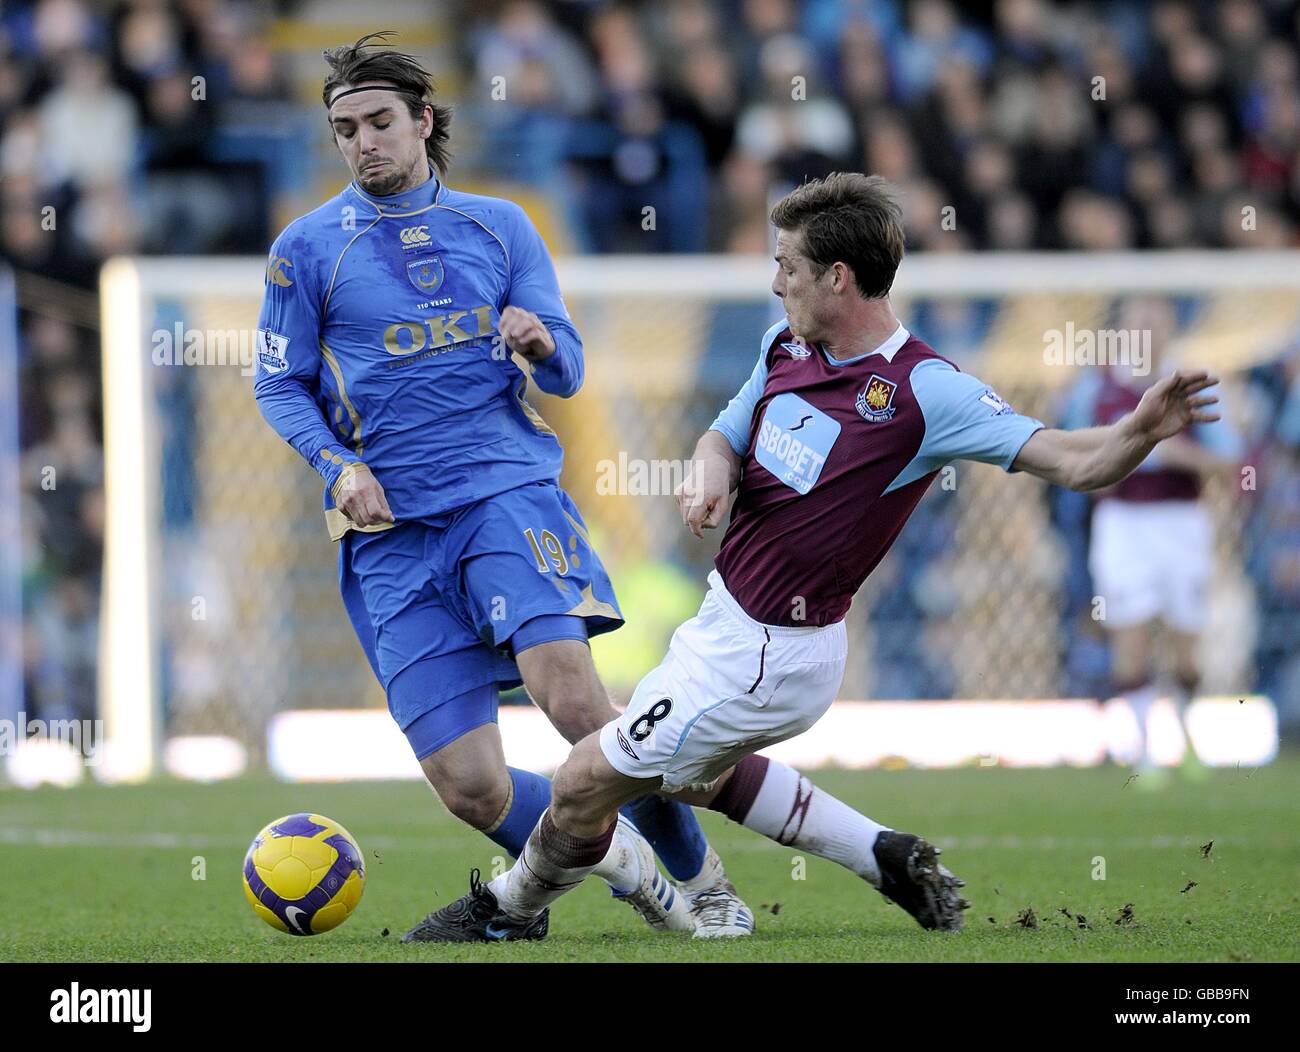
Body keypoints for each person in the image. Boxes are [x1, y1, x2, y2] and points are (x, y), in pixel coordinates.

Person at [401, 172, 1221, 942]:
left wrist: (1139, 432)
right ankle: (882, 854)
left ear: (837, 277)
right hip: (722, 623)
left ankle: (509, 912)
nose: (773, 282)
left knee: (584, 781)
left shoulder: (924, 390)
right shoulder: (783, 350)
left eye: (785, 266)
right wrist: (710, 475)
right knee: (686, 774)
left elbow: (1072, 461)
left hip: (773, 654)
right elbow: (723, 430)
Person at [252, 32, 750, 940]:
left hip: (503, 497)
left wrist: (541, 341)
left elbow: (567, 374)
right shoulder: (306, 249)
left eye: (379, 122)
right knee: (470, 787)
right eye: (344, 128)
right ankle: (629, 871)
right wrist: (340, 465)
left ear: (424, 123)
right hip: (391, 532)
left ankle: (706, 885)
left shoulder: (502, 225)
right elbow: (277, 382)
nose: (363, 142)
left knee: (577, 705)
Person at [1080, 298, 1240, 785]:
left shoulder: (1197, 386)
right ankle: (1147, 751)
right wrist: (1118, 461)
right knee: (1130, 635)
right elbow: (1077, 455)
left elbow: (1231, 463)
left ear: (1172, 328)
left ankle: (1188, 735)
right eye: (1138, 321)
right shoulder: (1098, 388)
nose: (1147, 328)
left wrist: (1170, 454)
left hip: (1181, 522)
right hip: (1123, 524)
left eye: (1157, 319)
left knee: (1186, 650)